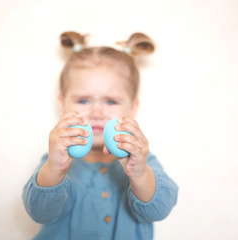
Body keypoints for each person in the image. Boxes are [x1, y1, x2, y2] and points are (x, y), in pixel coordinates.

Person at [22, 31, 178, 240]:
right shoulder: (56, 158)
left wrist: (140, 173)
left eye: (111, 101)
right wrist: (54, 168)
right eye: (83, 101)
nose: (96, 113)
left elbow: (159, 210)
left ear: (132, 108)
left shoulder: (142, 160)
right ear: (62, 104)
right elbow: (38, 212)